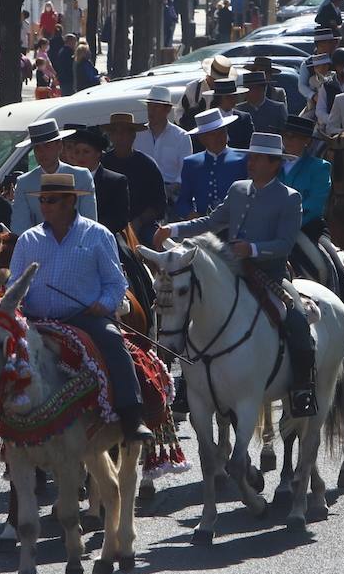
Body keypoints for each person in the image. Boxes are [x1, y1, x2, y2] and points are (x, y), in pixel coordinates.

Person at [156, 133, 318, 416]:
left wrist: (251, 249)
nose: (250, 162)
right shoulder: (238, 189)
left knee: (296, 320)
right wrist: (175, 229)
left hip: (270, 274)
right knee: (191, 311)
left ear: (274, 164)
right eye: (250, 157)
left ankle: (302, 387)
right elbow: (212, 221)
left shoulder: (289, 198)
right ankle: (188, 382)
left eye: (256, 158)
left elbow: (284, 244)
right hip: (230, 270)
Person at [8, 173, 153, 441]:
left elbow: (115, 283)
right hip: (35, 320)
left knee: (112, 339)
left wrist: (105, 304)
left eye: (51, 200)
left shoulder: (98, 234)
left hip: (84, 317)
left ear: (70, 202)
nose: (44, 206)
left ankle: (132, 416)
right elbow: (14, 284)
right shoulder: (28, 240)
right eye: (42, 200)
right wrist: (13, 307)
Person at [11, 119, 98, 232]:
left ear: (59, 146)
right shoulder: (24, 182)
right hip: (38, 246)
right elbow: (20, 228)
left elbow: (90, 223)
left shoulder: (81, 176)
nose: (41, 152)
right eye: (37, 147)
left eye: (47, 146)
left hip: (79, 245)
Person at [101, 112, 168, 239]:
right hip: (108, 227)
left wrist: (139, 221)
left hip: (143, 226)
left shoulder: (147, 165)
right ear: (110, 136)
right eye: (115, 132)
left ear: (133, 135)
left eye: (124, 132)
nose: (120, 136)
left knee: (159, 245)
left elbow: (159, 204)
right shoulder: (102, 163)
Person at [173, 108, 249, 218]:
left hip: (236, 224)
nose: (218, 138)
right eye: (212, 134)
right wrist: (194, 216)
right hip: (204, 226)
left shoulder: (243, 159)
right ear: (202, 138)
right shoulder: (191, 163)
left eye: (222, 132)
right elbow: (183, 202)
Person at [64, 125, 131, 235]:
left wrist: (89, 230)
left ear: (98, 154)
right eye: (77, 152)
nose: (81, 156)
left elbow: (119, 219)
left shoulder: (115, 181)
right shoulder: (65, 180)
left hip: (102, 237)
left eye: (86, 152)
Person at [135, 86, 191, 196]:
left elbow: (185, 171)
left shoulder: (181, 136)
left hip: (172, 193)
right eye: (149, 106)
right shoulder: (138, 135)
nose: (151, 111)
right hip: (142, 191)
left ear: (167, 109)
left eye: (156, 107)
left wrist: (171, 189)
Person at [205, 77, 255, 150]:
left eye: (235, 96)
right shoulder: (208, 118)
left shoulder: (244, 118)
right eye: (229, 97)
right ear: (219, 98)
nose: (233, 99)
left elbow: (250, 144)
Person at [299, 29, 339, 101]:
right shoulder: (307, 64)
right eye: (329, 42)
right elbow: (302, 85)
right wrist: (313, 96)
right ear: (320, 45)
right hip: (315, 103)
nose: (333, 45)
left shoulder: (337, 59)